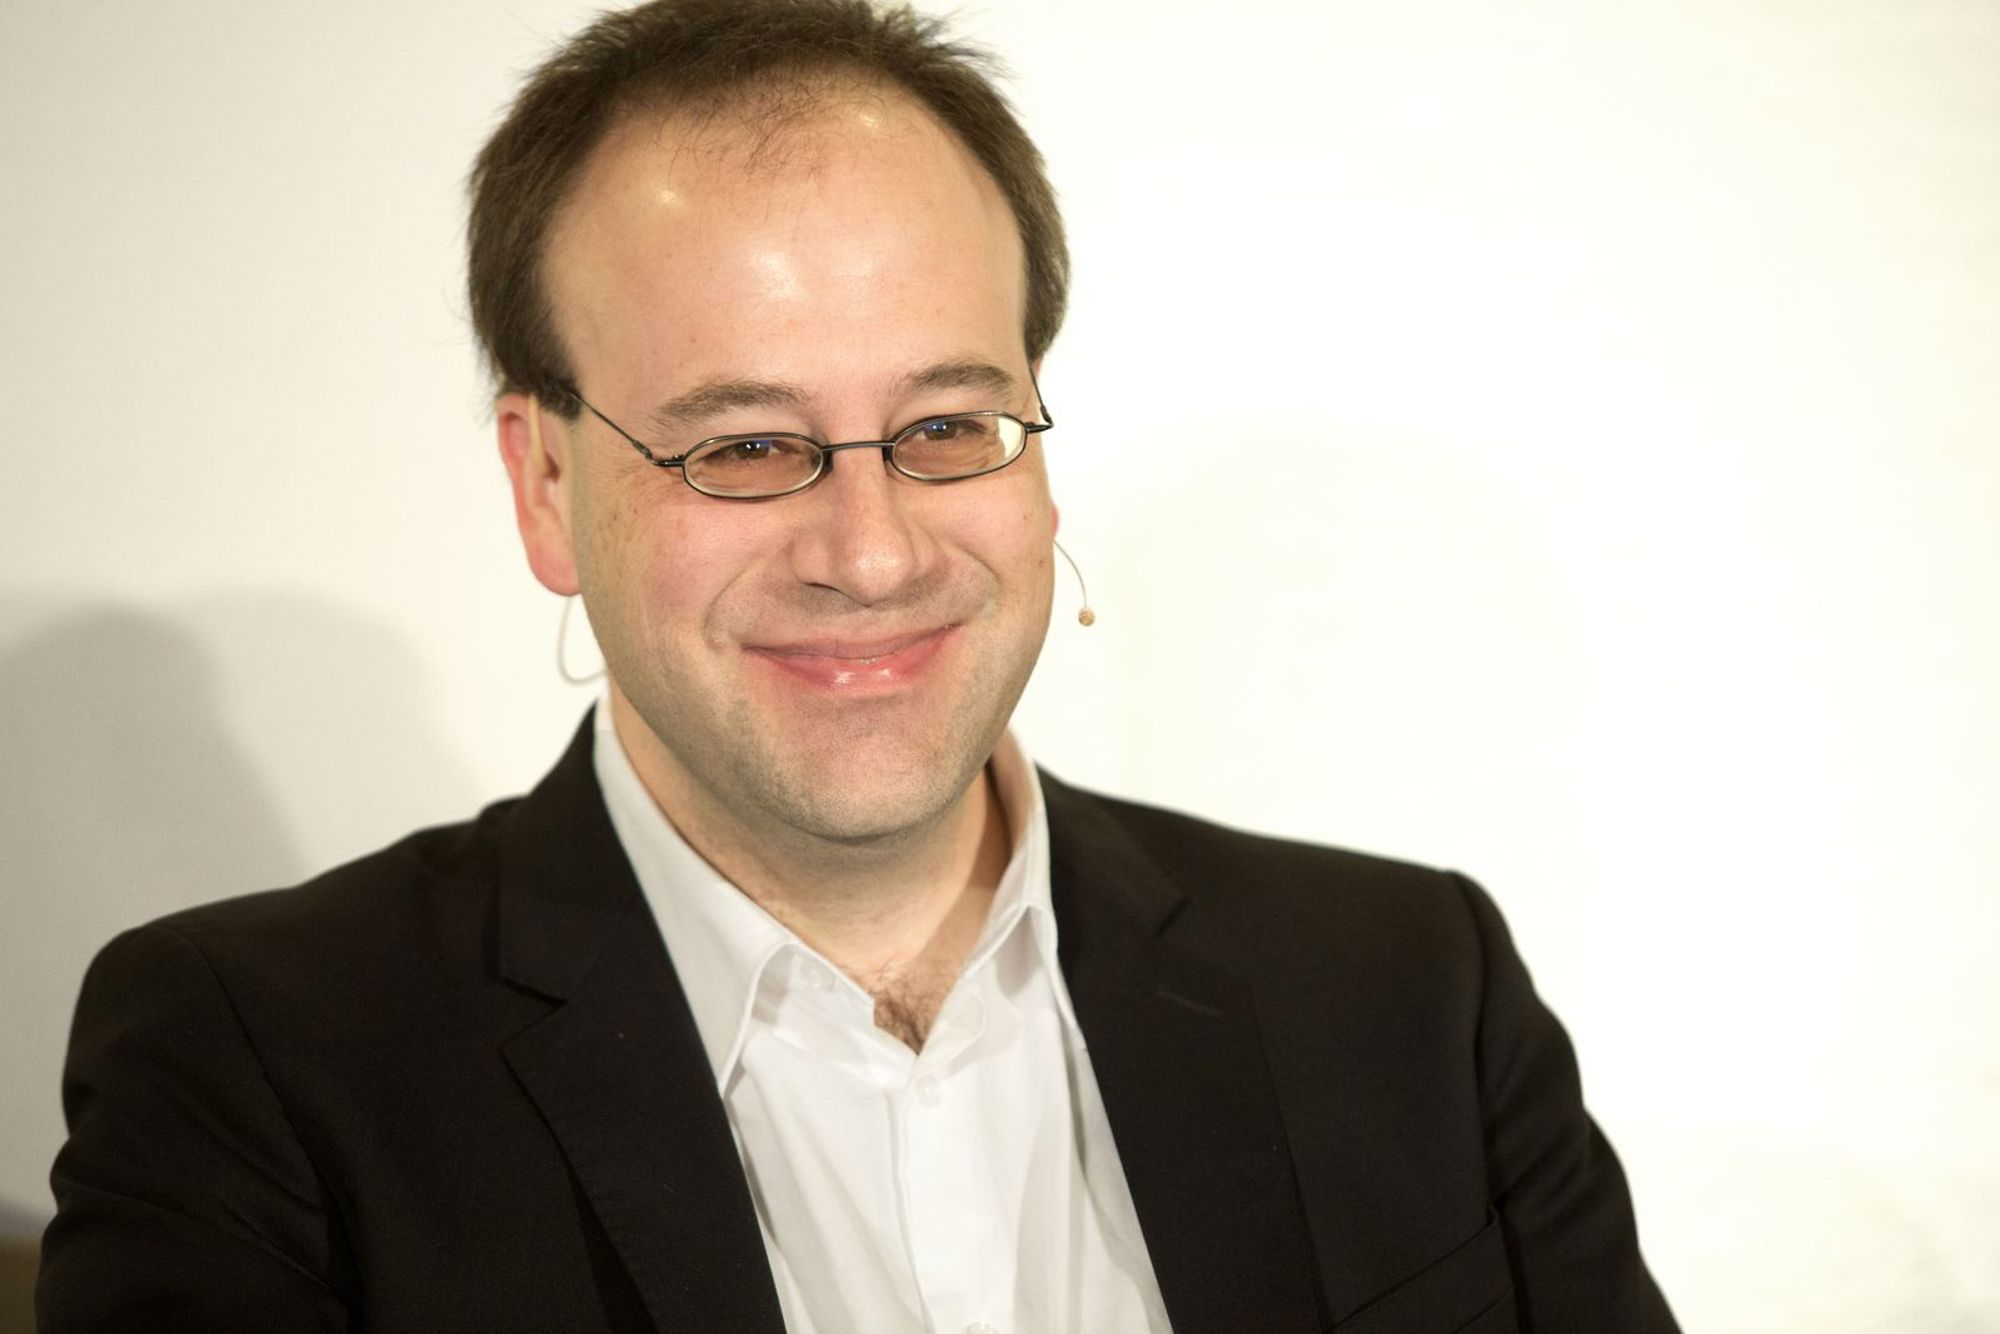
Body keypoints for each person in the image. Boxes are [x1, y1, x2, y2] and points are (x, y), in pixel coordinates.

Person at [37, 2, 1678, 1330]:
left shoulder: (1412, 992)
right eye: (745, 445)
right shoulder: (255, 1068)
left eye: (948, 424)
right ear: (545, 486)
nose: (873, 553)